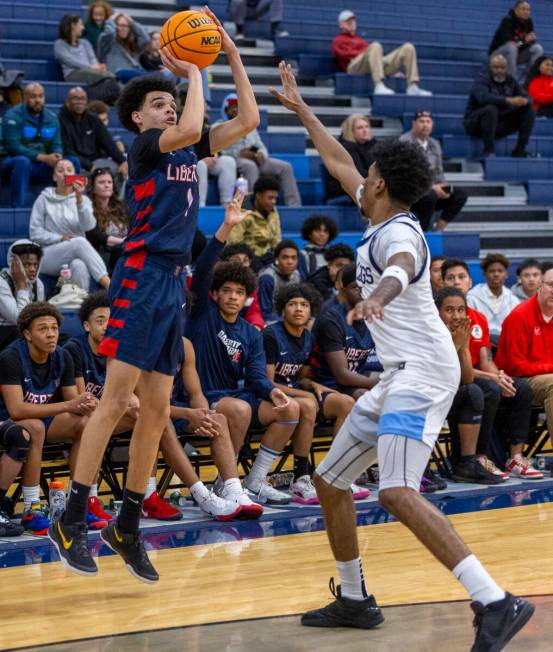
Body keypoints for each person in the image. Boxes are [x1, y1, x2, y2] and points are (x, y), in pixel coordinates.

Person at [270, 62, 533, 644]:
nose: (357, 178)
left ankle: (496, 600)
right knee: (332, 480)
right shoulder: (376, 215)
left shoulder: (401, 233)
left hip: (423, 376)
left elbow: (402, 270)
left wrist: (377, 299)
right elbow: (340, 161)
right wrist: (302, 110)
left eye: (369, 175)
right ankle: (356, 598)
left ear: (382, 183)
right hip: (397, 375)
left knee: (395, 490)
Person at [49, 8, 260, 583]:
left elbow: (248, 120)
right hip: (141, 275)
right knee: (118, 398)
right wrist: (193, 71)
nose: (170, 106)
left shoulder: (187, 153)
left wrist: (231, 57)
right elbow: (189, 128)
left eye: (172, 100)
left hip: (175, 281)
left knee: (159, 411)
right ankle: (70, 516)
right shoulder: (146, 149)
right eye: (159, 103)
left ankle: (127, 522)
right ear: (141, 117)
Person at [187, 224, 299, 506]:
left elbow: (258, 377)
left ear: (247, 296)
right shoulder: (202, 315)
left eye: (239, 292)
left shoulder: (251, 332)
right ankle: (228, 481)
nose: (233, 296)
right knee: (240, 409)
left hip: (233, 395)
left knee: (290, 409)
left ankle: (256, 480)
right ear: (215, 294)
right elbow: (202, 272)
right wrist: (223, 231)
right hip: (201, 396)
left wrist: (273, 392)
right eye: (226, 290)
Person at [0, 302, 101, 535]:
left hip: (41, 418)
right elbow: (16, 410)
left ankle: (78, 504)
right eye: (43, 329)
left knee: (86, 424)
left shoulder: (62, 356)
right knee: (35, 428)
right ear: (27, 334)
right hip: (6, 419)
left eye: (54, 328)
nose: (51, 334)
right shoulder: (11, 357)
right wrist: (70, 404)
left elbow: (73, 402)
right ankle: (31, 509)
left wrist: (87, 403)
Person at [264, 283, 365, 503]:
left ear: (311, 311)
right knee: (308, 404)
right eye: (292, 304)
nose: (298, 309)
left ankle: (336, 472)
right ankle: (301, 477)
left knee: (346, 403)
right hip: (270, 397)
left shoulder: (308, 338)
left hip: (297, 394)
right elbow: (267, 382)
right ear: (283, 308)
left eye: (304, 304)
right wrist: (304, 393)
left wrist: (311, 385)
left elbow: (300, 376)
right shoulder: (271, 335)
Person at [442, 259, 538, 480]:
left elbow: (485, 360)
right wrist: (491, 378)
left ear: (470, 281)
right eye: (451, 277)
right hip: (454, 378)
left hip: (476, 374)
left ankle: (515, 456)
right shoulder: (438, 316)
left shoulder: (479, 318)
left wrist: (499, 375)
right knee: (489, 389)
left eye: (461, 277)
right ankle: (480, 456)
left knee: (519, 387)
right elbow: (455, 367)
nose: (457, 281)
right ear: (442, 282)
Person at [435, 287, 512, 484]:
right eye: (450, 310)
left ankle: (470, 461)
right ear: (437, 312)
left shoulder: (461, 331)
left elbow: (467, 377)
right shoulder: (431, 331)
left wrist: (462, 345)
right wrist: (455, 344)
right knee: (475, 391)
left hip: (450, 391)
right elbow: (437, 372)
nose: (457, 315)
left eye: (461, 310)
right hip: (431, 391)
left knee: (475, 390)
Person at [29, 158, 110, 292]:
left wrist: (79, 200)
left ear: (75, 175)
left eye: (69, 170)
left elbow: (89, 226)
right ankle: (109, 285)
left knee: (80, 266)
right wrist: (60, 238)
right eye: (60, 171)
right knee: (78, 241)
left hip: (77, 253)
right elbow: (35, 233)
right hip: (47, 255)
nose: (65, 174)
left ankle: (79, 305)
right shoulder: (43, 198)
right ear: (55, 177)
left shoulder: (83, 200)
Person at [496, 261, 553, 448]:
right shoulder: (519, 316)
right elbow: (515, 366)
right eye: (551, 285)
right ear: (540, 285)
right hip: (518, 380)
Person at [311, 263, 381, 400]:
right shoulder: (331, 320)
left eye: (367, 287)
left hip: (355, 383)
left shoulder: (375, 318)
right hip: (328, 384)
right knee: (368, 398)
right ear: (343, 292)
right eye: (356, 287)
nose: (362, 292)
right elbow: (342, 376)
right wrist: (381, 384)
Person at [217, 93, 302, 206]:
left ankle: (294, 205)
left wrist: (261, 154)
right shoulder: (219, 127)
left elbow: (261, 146)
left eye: (238, 107)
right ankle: (254, 207)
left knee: (285, 167)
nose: (235, 110)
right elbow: (219, 151)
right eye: (232, 108)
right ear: (226, 110)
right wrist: (239, 153)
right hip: (237, 160)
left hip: (256, 159)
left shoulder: (250, 126)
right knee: (250, 166)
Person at [331, 10, 431, 96]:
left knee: (408, 48)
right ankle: (378, 85)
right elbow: (343, 56)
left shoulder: (360, 40)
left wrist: (392, 69)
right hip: (353, 66)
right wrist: (365, 54)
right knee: (376, 46)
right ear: (341, 24)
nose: (351, 23)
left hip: (370, 65)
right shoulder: (338, 40)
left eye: (353, 20)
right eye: (348, 21)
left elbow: (373, 57)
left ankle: (412, 86)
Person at [1, 84, 67, 208]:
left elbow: (56, 144)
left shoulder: (52, 118)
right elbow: (13, 147)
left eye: (41, 96)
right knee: (23, 161)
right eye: (33, 96)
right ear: (25, 98)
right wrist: (44, 158)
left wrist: (57, 156)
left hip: (39, 166)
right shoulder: (12, 116)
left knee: (72, 162)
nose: (38, 100)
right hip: (12, 163)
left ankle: (69, 206)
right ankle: (18, 209)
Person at [400, 110, 467, 231]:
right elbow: (407, 175)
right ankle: (423, 233)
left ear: (432, 124)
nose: (425, 125)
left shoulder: (434, 143)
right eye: (421, 121)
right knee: (430, 195)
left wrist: (443, 186)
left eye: (428, 121)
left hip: (432, 189)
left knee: (459, 194)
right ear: (414, 124)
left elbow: (439, 171)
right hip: (411, 192)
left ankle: (438, 230)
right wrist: (432, 187)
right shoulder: (404, 142)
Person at [464, 54, 535, 158]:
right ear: (490, 67)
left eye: (502, 67)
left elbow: (528, 98)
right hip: (476, 123)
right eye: (496, 67)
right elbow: (484, 98)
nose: (499, 70)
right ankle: (488, 150)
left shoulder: (511, 80)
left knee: (529, 110)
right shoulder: (482, 79)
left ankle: (520, 150)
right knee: (491, 109)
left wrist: (524, 100)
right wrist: (509, 101)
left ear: (506, 68)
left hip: (499, 123)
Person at [59, 86, 128, 176]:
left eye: (83, 98)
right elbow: (67, 150)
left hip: (96, 161)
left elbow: (108, 143)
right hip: (75, 164)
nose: (79, 101)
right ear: (67, 101)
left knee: (124, 167)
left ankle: (116, 190)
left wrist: (122, 161)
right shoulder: (60, 120)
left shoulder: (93, 119)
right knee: (71, 162)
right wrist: (90, 166)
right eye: (75, 98)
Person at [0, 240, 44, 351]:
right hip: (5, 333)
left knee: (64, 338)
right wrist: (22, 286)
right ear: (14, 263)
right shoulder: (2, 282)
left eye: (35, 264)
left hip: (26, 333)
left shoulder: (38, 284)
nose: (33, 269)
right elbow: (18, 319)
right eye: (27, 264)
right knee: (19, 333)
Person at [467, 253, 520, 345]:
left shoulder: (513, 300)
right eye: (492, 271)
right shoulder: (472, 297)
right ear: (484, 274)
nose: (496, 274)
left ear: (506, 274)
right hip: (480, 344)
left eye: (500, 271)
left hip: (506, 344)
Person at [227, 175, 282, 258]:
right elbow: (234, 243)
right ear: (258, 195)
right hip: (248, 258)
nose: (273, 202)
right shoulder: (240, 211)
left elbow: (276, 241)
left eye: (275, 198)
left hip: (267, 256)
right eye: (270, 198)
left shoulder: (273, 211)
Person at [325, 115, 375, 205]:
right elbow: (357, 173)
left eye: (367, 127)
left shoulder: (373, 145)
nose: (365, 130)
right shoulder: (345, 148)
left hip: (367, 185)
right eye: (360, 128)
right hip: (344, 189)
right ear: (350, 131)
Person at [86, 167, 129, 272]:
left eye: (109, 182)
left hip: (125, 250)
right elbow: (94, 235)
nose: (106, 185)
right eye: (101, 182)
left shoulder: (121, 207)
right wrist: (123, 242)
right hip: (103, 255)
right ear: (93, 187)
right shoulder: (87, 207)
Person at [488, 1, 543, 81]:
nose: (526, 12)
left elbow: (531, 42)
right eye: (523, 9)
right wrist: (524, 40)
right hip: (499, 55)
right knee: (512, 46)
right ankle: (512, 80)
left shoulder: (529, 22)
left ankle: (525, 80)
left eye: (528, 10)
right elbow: (508, 41)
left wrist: (527, 41)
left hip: (516, 55)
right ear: (516, 10)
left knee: (538, 48)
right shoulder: (507, 20)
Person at [54, 14, 114, 85]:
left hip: (90, 71)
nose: (83, 28)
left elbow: (92, 58)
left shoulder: (85, 42)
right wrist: (90, 67)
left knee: (108, 80)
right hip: (73, 74)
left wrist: (97, 66)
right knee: (108, 77)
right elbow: (71, 61)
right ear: (73, 25)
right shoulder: (59, 44)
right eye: (81, 24)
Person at [220, 243, 265, 329]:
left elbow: (253, 312)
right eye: (236, 260)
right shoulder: (216, 282)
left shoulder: (251, 285)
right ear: (225, 262)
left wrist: (256, 325)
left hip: (240, 329)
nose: (241, 264)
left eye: (245, 261)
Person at [97, 13, 151, 83]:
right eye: (121, 25)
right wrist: (110, 20)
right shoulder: (108, 43)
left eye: (127, 26)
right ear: (115, 26)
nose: (124, 29)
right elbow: (110, 32)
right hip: (119, 78)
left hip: (136, 77)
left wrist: (132, 23)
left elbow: (146, 39)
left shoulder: (132, 44)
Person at [258, 239, 302, 324]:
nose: (290, 262)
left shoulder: (296, 275)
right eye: (285, 257)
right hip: (269, 321)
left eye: (293, 258)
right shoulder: (267, 278)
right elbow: (265, 313)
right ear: (276, 259)